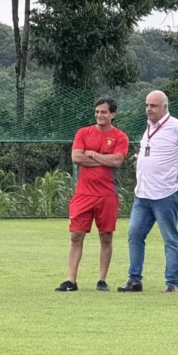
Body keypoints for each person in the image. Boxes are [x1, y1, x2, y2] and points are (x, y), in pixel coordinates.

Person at [119, 90, 178, 294]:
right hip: (143, 193)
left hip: (166, 193)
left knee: (170, 238)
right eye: (147, 105)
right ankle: (134, 279)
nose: (148, 109)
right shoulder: (148, 127)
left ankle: (172, 282)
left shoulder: (176, 127)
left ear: (165, 107)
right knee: (134, 234)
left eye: (153, 106)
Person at [57, 98, 130, 292]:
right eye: (97, 112)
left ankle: (101, 280)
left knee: (106, 236)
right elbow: (76, 157)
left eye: (104, 112)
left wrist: (94, 155)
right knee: (76, 235)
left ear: (112, 114)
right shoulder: (83, 133)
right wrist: (102, 159)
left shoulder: (120, 137)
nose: (99, 115)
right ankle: (71, 280)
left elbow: (116, 161)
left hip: (107, 194)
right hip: (83, 193)